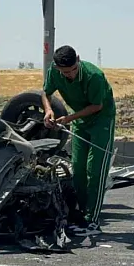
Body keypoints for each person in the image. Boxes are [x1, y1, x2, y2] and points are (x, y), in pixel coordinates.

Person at [41, 45, 116, 236]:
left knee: (95, 169)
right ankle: (81, 215)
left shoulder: (94, 76)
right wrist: (48, 110)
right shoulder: (54, 72)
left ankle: (92, 221)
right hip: (80, 120)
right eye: (65, 72)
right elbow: (46, 93)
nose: (70, 75)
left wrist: (67, 119)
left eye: (73, 70)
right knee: (78, 167)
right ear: (57, 68)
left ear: (78, 60)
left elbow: (97, 106)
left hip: (101, 120)